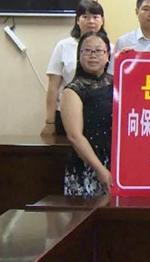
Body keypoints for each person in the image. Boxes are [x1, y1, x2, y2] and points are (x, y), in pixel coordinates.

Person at [43, 0, 107, 136]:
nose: (91, 21)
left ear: (102, 20)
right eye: (85, 17)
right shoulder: (63, 46)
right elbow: (53, 87)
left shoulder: (109, 48)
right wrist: (49, 122)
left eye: (95, 17)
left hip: (100, 114)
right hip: (66, 113)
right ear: (77, 20)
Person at [61, 31, 114, 197]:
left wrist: (131, 58)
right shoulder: (73, 90)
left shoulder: (117, 82)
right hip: (89, 165)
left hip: (116, 162)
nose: (93, 55)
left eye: (99, 51)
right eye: (87, 50)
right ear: (79, 55)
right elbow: (74, 136)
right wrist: (99, 169)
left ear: (108, 56)